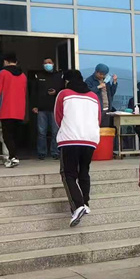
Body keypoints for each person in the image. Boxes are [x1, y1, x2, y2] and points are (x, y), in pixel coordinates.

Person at [56, 70, 101, 227]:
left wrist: (67, 128)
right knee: (84, 171)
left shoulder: (64, 94)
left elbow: (58, 116)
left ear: (67, 81)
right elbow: (98, 118)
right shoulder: (94, 96)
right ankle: (86, 203)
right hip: (90, 139)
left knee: (68, 174)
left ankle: (77, 206)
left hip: (70, 139)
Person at [0, 53, 27, 168]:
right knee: (15, 135)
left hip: (6, 109)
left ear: (5, 61)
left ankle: (13, 157)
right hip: (19, 110)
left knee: (7, 135)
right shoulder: (23, 76)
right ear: (16, 62)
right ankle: (14, 156)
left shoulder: (2, 74)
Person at [30, 57, 63, 160]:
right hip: (41, 108)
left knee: (55, 132)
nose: (47, 64)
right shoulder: (38, 76)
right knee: (41, 132)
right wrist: (34, 106)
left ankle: (55, 152)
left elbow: (62, 90)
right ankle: (41, 153)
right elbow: (34, 92)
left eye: (49, 62)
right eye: (45, 63)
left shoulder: (59, 75)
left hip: (55, 108)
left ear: (53, 64)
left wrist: (56, 92)